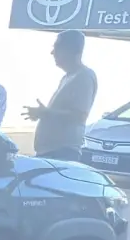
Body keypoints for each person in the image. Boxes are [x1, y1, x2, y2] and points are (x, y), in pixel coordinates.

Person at [23, 30, 97, 162]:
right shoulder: (67, 77)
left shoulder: (84, 76)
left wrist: (46, 113)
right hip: (50, 151)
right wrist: (43, 114)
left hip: (63, 152)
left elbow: (79, 115)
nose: (52, 53)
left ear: (70, 50)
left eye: (56, 48)